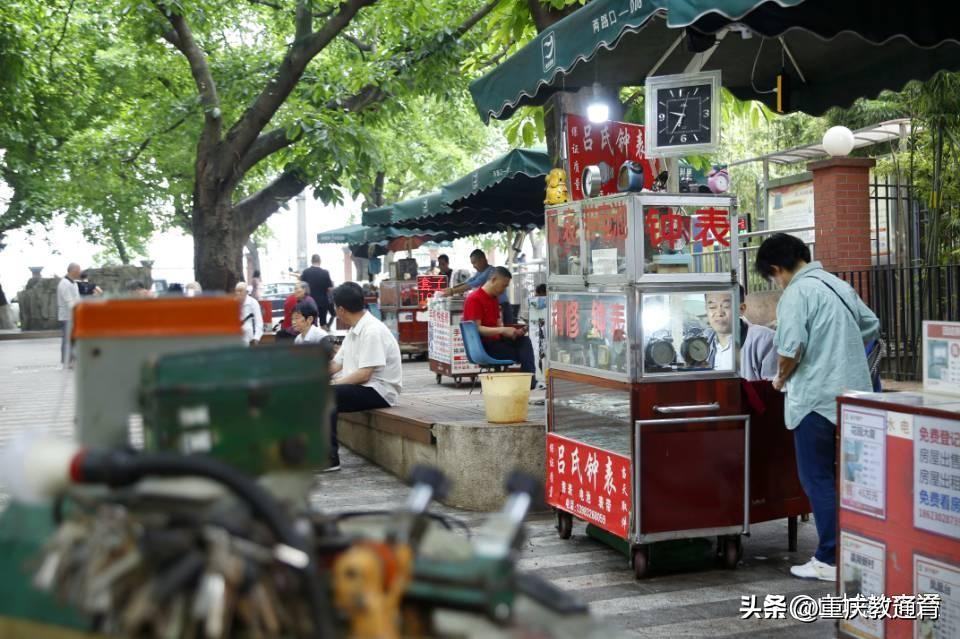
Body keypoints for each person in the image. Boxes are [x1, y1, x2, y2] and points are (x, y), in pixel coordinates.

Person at [755, 233, 879, 583]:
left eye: (772, 277)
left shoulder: (796, 293)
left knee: (818, 478)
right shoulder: (836, 285)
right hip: (855, 396)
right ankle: (860, 553)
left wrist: (779, 379)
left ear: (777, 269)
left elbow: (790, 349)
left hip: (816, 400)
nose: (776, 284)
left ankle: (829, 558)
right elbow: (871, 324)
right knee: (853, 480)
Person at [328, 282, 402, 471]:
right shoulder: (354, 330)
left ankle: (328, 459)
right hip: (363, 387)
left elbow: (364, 374)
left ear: (341, 309)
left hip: (379, 391)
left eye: (336, 307)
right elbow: (336, 364)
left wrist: (332, 385)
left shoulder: (372, 331)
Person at [461, 266, 537, 390]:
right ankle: (528, 381)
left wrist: (512, 332)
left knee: (524, 341)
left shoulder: (494, 299)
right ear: (494, 279)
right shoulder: (474, 299)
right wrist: (502, 330)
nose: (504, 290)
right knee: (523, 353)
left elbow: (497, 325)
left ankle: (529, 380)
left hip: (497, 342)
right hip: (484, 346)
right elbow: (477, 329)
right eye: (503, 285)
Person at [705, 285, 778, 381]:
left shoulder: (765, 340)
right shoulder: (703, 340)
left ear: (742, 309)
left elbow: (772, 390)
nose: (719, 313)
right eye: (712, 307)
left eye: (726, 306)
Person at [441, 249, 515, 324]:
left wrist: (452, 291)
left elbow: (472, 284)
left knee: (505, 329)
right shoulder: (479, 273)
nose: (473, 266)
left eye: (474, 263)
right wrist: (452, 289)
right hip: (493, 306)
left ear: (482, 260)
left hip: (502, 306)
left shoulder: (490, 271)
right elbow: (468, 281)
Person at [57, 263, 82, 366]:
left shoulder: (74, 283)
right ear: (73, 270)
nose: (80, 272)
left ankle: (73, 360)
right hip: (67, 316)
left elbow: (77, 300)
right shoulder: (64, 284)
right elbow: (69, 302)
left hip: (74, 316)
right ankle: (66, 361)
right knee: (67, 339)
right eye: (79, 270)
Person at [301, 254, 334, 328]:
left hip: (309, 302)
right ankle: (323, 338)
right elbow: (329, 288)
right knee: (323, 323)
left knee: (310, 324)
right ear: (320, 261)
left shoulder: (306, 272)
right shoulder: (325, 273)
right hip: (323, 301)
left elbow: (302, 286)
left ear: (311, 261)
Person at [235, 281, 263, 346]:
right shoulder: (233, 303)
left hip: (250, 336)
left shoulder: (253, 303)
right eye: (236, 291)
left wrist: (256, 338)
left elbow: (259, 322)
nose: (238, 293)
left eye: (240, 291)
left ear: (246, 292)